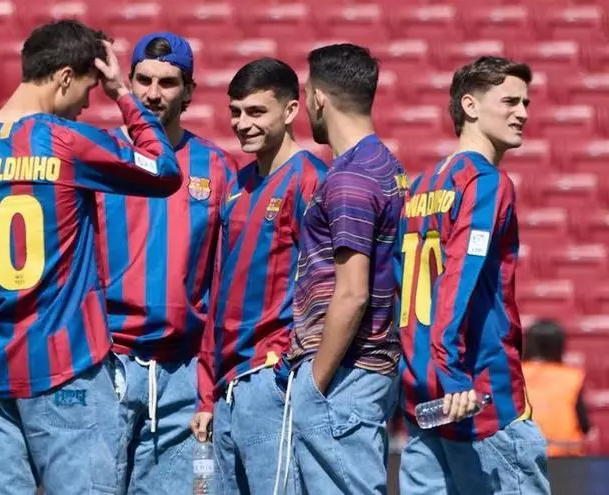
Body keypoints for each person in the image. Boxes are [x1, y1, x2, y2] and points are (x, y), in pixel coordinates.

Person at [0, 20, 182, 495]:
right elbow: (164, 169)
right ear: (65, 77)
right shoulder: (65, 141)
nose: (88, 104)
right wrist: (122, 94)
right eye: (86, 90)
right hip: (67, 372)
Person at [394, 56, 550, 494]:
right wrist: (454, 374)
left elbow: (399, 283)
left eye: (526, 103)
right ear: (470, 105)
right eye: (510, 101)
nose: (523, 113)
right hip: (479, 397)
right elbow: (458, 280)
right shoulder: (487, 183)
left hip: (425, 401)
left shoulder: (421, 186)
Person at [93, 32, 234, 494]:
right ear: (128, 82)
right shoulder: (99, 158)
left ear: (189, 90)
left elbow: (228, 276)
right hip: (105, 367)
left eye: (168, 82)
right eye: (144, 80)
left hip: (183, 376)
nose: (154, 93)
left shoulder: (216, 168)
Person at [191, 57, 328, 494]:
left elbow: (327, 286)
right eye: (235, 112)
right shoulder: (236, 187)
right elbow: (218, 294)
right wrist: (206, 392)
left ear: (290, 111)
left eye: (256, 112)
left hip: (273, 378)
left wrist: (294, 373)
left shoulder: (310, 180)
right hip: (228, 385)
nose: (242, 123)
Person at [276, 43, 407, 494]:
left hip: (345, 374)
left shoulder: (350, 177)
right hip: (367, 373)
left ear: (317, 98)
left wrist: (314, 384)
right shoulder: (388, 166)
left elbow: (353, 293)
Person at [523, 319, 590, 457]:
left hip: (522, 454)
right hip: (564, 457)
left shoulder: (513, 375)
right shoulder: (572, 377)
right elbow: (584, 426)